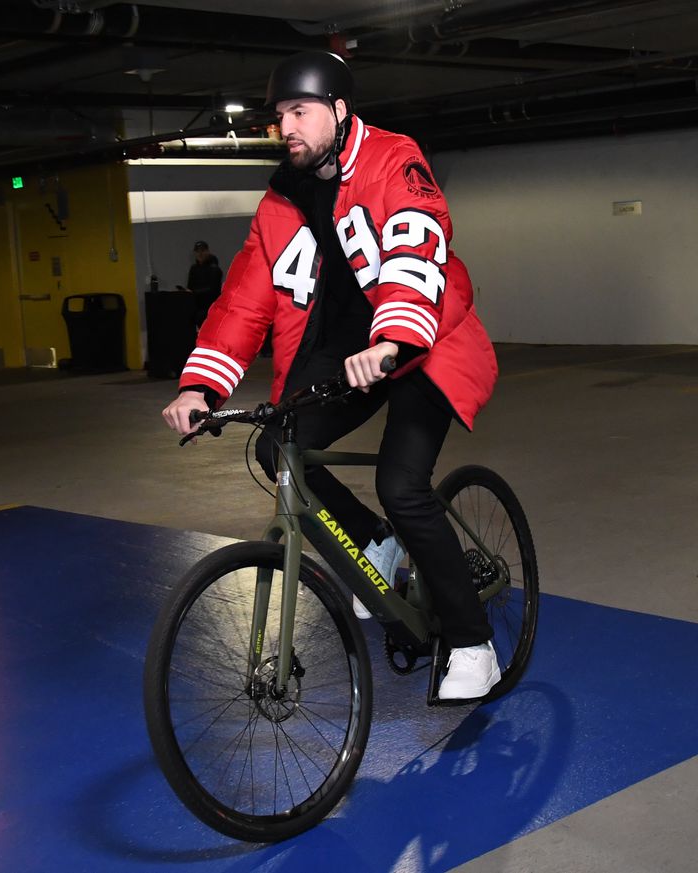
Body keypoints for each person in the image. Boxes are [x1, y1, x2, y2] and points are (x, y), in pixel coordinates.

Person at [160, 51, 500, 700]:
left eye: (300, 111)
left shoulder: (393, 158)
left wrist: (395, 336)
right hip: (343, 348)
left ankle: (471, 640)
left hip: (422, 337)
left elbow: (416, 235)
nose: (285, 126)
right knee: (278, 449)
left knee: (401, 484)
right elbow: (245, 298)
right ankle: (378, 548)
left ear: (340, 113)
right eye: (279, 115)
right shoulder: (283, 199)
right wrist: (200, 386)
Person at [179, 240, 224, 328]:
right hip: (196, 306)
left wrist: (194, 292)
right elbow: (190, 286)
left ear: (207, 251)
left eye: (202, 251)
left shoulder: (214, 269)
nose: (200, 254)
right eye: (197, 251)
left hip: (210, 307)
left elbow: (213, 290)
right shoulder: (194, 269)